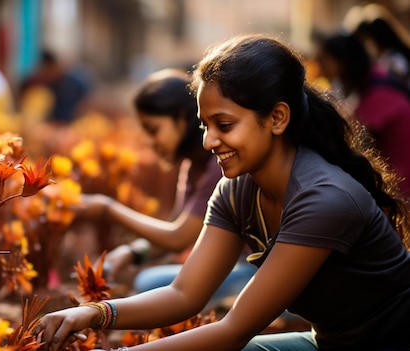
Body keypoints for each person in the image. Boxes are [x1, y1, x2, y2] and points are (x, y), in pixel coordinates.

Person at [33, 34, 410, 351]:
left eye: (224, 125)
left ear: (277, 118)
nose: (210, 141)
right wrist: (94, 313)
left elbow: (234, 330)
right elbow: (184, 294)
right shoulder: (235, 191)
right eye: (204, 125)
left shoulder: (324, 198)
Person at [75, 68, 255, 308]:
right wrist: (132, 252)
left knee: (150, 285)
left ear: (181, 120)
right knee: (150, 283)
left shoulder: (218, 165)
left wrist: (108, 209)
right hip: (239, 268)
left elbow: (178, 237)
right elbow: (174, 231)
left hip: (256, 272)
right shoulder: (193, 166)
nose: (149, 142)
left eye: (153, 130)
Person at [314, 32, 410, 198]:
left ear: (343, 60)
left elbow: (355, 143)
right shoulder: (373, 80)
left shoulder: (378, 94)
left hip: (401, 183)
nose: (320, 67)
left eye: (324, 59)